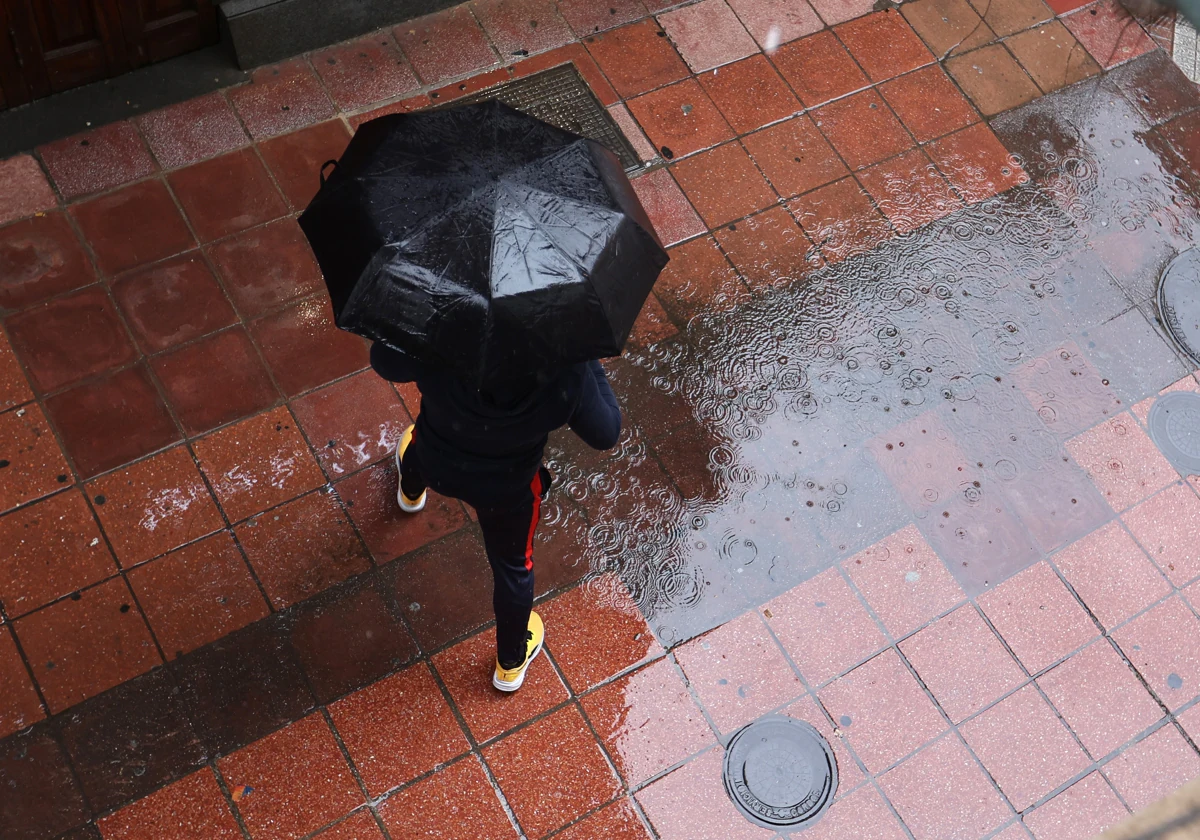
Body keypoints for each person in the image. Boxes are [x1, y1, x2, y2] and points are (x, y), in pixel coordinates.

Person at [370, 343, 622, 691]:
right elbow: (605, 431)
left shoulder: (441, 329)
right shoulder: (563, 368)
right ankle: (510, 664)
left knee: (420, 448)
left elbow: (386, 363)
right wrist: (582, 355)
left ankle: (410, 492)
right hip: (507, 490)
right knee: (513, 566)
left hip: (439, 459)